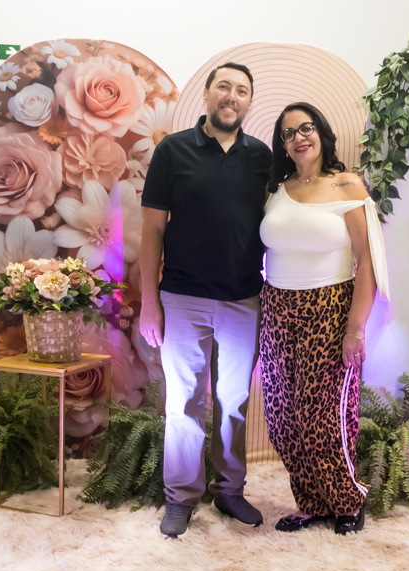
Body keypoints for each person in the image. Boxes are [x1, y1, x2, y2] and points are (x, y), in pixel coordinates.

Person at [138, 63, 273, 538]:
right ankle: (180, 497)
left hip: (243, 298)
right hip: (182, 296)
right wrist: (149, 301)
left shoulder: (262, 158)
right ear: (208, 94)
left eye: (242, 90)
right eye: (224, 87)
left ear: (249, 101)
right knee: (183, 404)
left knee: (234, 401)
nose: (232, 96)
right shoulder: (172, 151)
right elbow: (152, 231)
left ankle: (229, 490)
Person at [259, 102, 390, 535]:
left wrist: (356, 328)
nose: (299, 137)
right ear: (282, 144)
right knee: (281, 415)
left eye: (306, 128)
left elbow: (366, 260)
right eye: (288, 133)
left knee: (324, 415)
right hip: (277, 307)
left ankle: (348, 500)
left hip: (329, 308)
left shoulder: (346, 183)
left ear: (321, 132)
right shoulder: (276, 188)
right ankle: (312, 501)